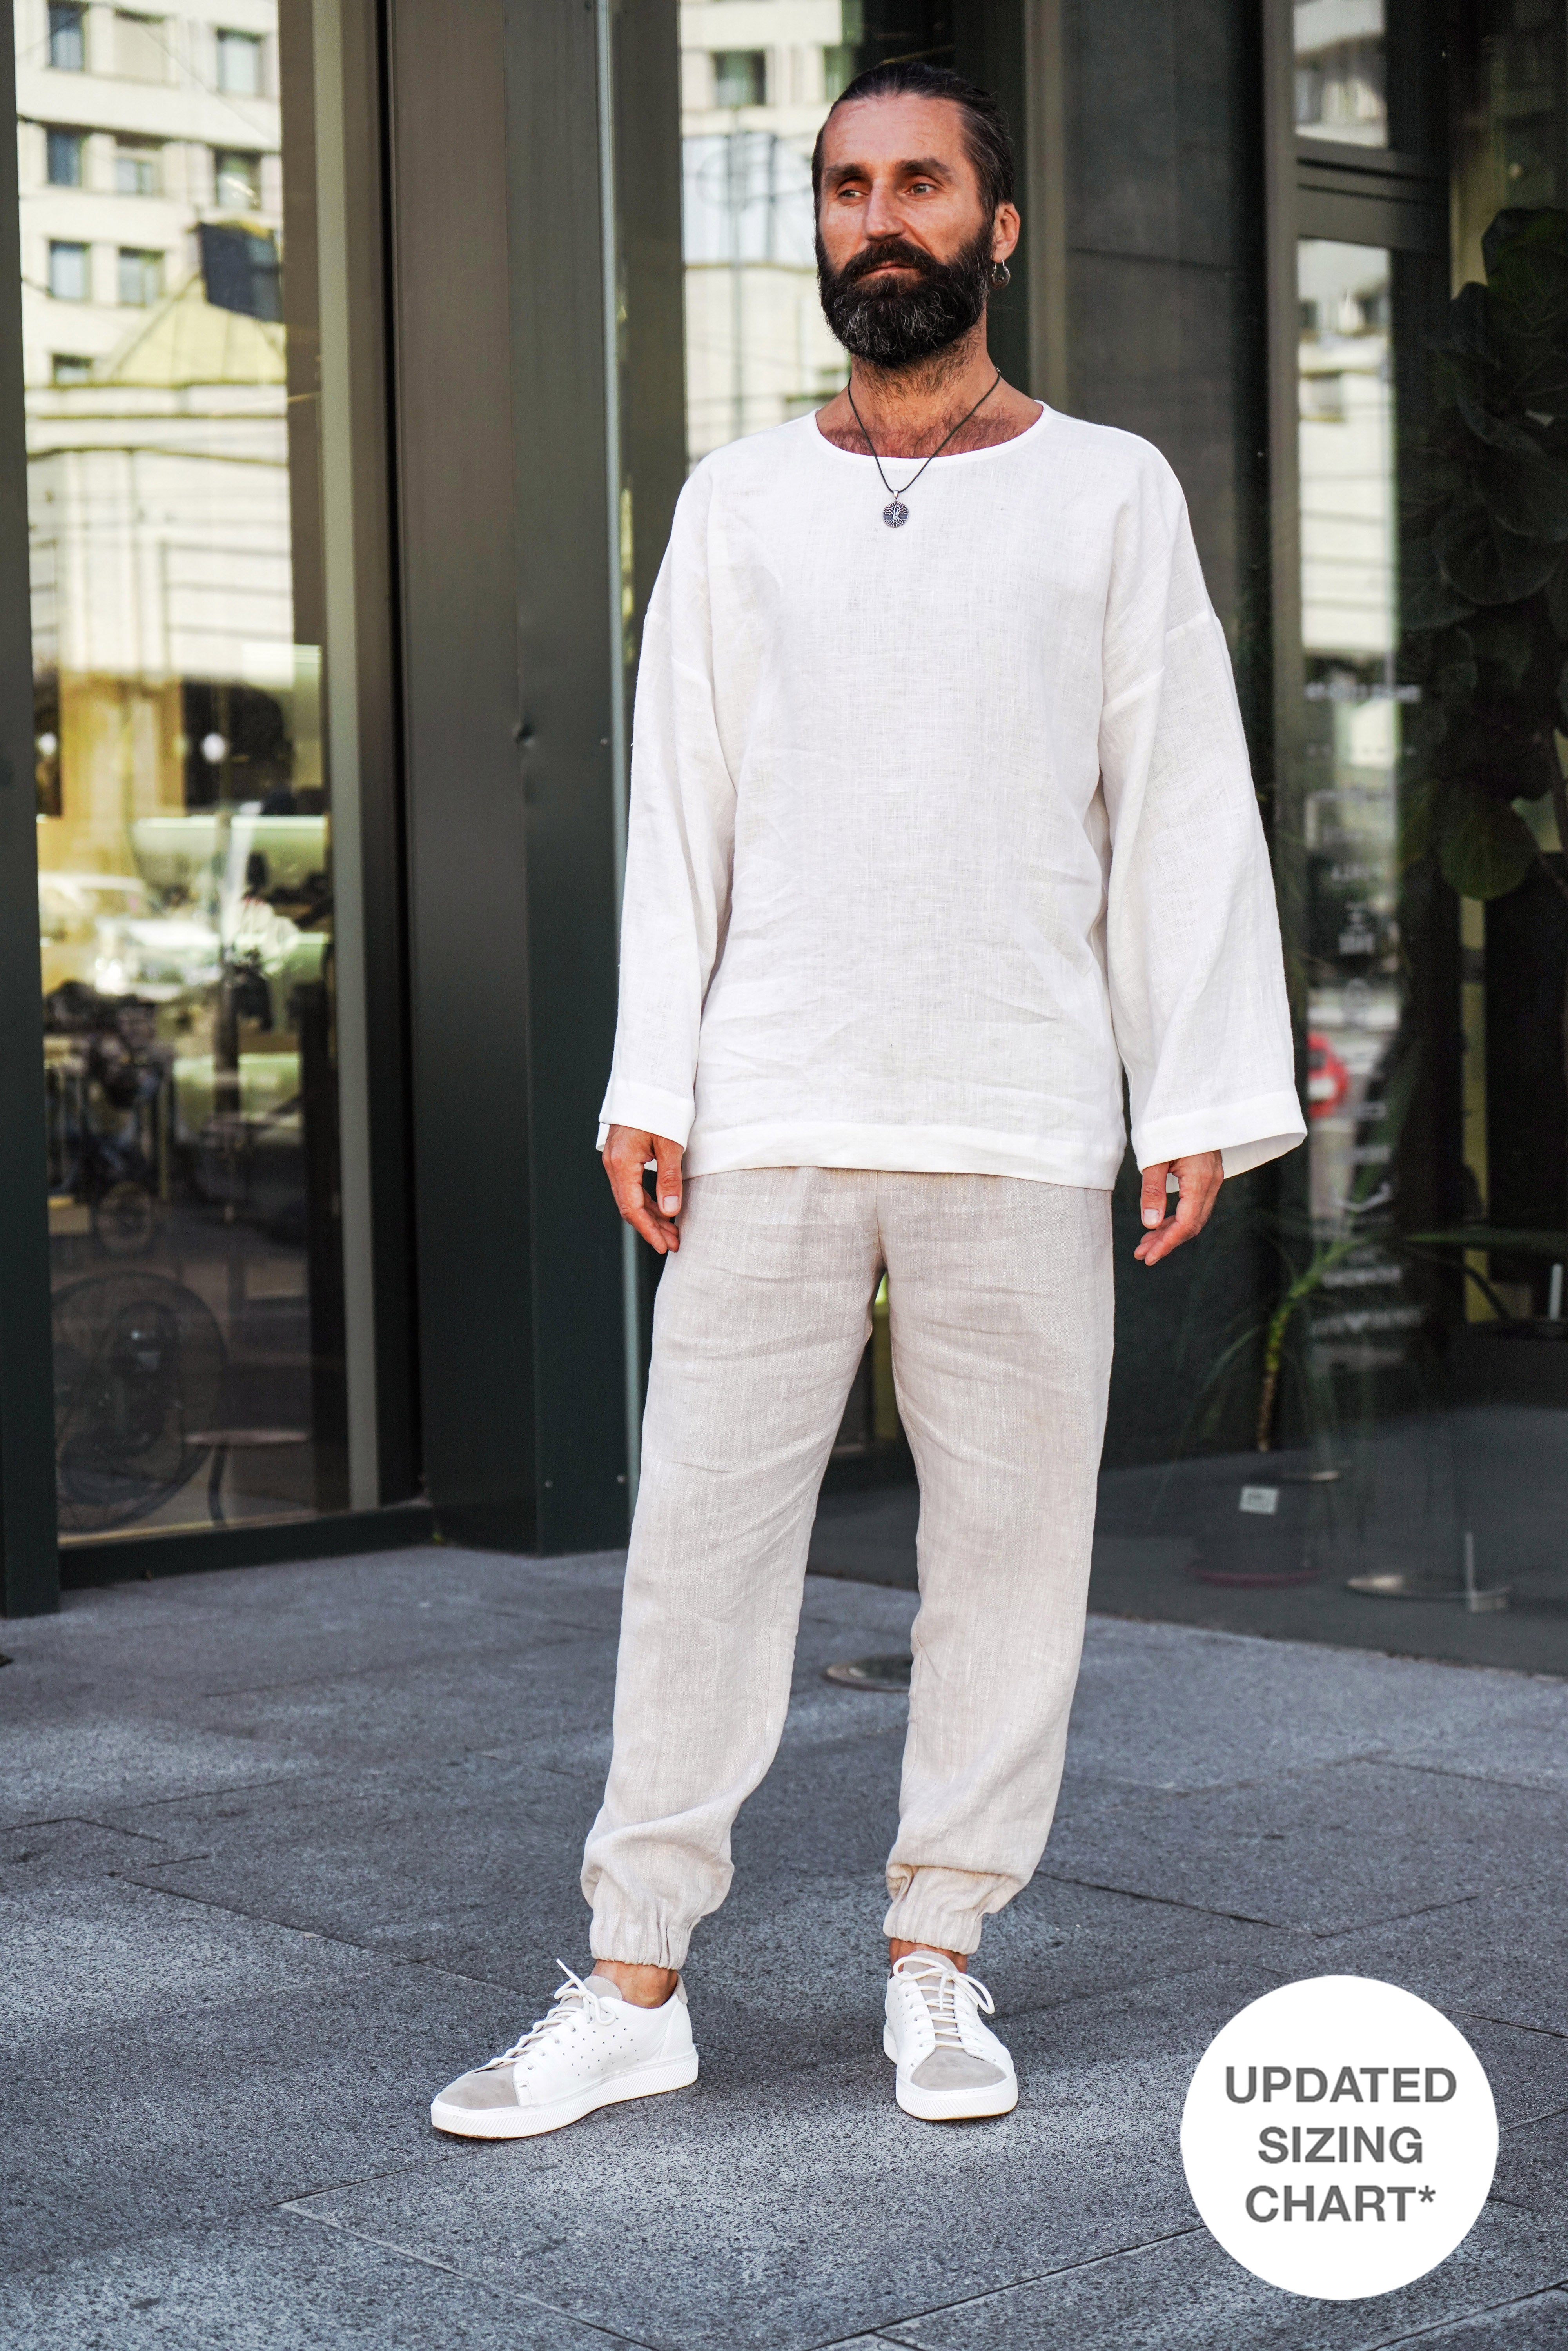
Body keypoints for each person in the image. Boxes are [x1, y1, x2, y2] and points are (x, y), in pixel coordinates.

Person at [431, 58, 1303, 2143]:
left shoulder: (1107, 494)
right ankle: (636, 1982)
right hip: (774, 1105)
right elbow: (679, 817)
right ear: (816, 224)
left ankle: (942, 1960)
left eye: (919, 185)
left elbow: (1180, 800)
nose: (877, 220)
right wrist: (655, 1074)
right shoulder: (740, 502)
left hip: (1018, 1102)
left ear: (999, 229)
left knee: (1012, 1555)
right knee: (701, 1557)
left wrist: (1190, 1083)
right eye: (843, 187)